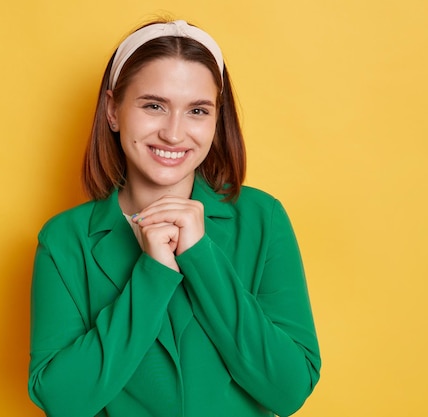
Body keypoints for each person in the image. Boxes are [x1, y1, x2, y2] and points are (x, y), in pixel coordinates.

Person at [28, 19, 321, 417]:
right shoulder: (65, 239)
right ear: (113, 111)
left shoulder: (263, 219)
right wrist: (151, 275)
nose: (173, 133)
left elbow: (288, 390)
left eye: (197, 110)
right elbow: (63, 402)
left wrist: (202, 257)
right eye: (153, 106)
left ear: (217, 122)